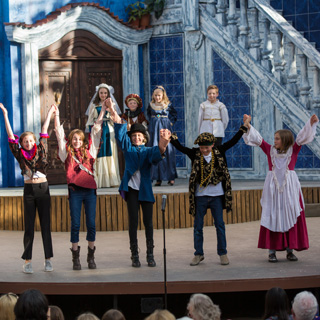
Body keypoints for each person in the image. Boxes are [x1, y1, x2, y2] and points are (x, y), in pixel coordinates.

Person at [170, 118, 249, 266]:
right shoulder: (195, 154)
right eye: (202, 147)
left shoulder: (219, 151)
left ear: (213, 145)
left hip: (216, 196)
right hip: (200, 196)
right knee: (198, 226)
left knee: (219, 224)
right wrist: (170, 137)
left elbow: (233, 141)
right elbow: (181, 148)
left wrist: (243, 127)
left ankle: (223, 253)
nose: (204, 150)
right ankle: (198, 254)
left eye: (207, 147)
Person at [243, 114, 319, 262]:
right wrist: (248, 125)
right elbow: (258, 139)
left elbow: (303, 136)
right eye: (275, 138)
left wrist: (310, 123)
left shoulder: (293, 150)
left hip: (290, 188)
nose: (274, 140)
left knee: (289, 214)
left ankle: (290, 250)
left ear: (284, 140)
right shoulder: (270, 150)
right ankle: (272, 251)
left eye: (277, 138)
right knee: (273, 215)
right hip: (273, 188)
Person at [105, 99, 171, 268]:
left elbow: (158, 154)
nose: (136, 138)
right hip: (132, 190)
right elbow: (120, 133)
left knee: (148, 223)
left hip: (146, 191)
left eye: (139, 136)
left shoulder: (149, 151)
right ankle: (134, 255)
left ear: (144, 139)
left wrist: (163, 144)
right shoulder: (128, 148)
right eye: (133, 136)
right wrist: (113, 111)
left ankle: (150, 254)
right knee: (133, 223)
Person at [0, 103, 54, 274]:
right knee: (29, 227)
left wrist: (51, 111)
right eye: (25, 141)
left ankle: (48, 260)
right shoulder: (18, 153)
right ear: (21, 143)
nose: (29, 143)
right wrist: (5, 114)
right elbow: (10, 135)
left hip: (43, 189)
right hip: (29, 191)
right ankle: (28, 261)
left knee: (46, 225)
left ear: (34, 141)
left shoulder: (42, 149)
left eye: (31, 140)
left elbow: (45, 127)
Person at [54, 103, 106, 270]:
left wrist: (103, 111)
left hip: (89, 191)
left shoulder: (90, 152)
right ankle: (75, 258)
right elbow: (59, 133)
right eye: (74, 139)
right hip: (75, 192)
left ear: (83, 141)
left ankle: (91, 257)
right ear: (71, 140)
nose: (76, 141)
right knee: (75, 224)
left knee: (91, 223)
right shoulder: (66, 154)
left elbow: (96, 130)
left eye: (79, 139)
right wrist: (56, 115)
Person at [85, 83, 121, 188]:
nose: (103, 95)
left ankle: (111, 179)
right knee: (98, 152)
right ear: (98, 93)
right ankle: (99, 180)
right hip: (98, 130)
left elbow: (116, 119)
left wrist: (110, 108)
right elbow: (90, 120)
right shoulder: (94, 105)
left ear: (108, 93)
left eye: (105, 93)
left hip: (109, 129)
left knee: (110, 152)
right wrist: (92, 130)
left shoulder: (112, 104)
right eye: (101, 93)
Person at [147, 85, 177, 186]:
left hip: (165, 128)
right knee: (155, 150)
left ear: (163, 95)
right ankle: (157, 177)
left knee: (168, 151)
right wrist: (151, 123)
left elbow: (174, 115)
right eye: (155, 95)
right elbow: (148, 115)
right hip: (154, 130)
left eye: (159, 95)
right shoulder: (151, 105)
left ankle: (171, 177)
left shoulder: (167, 105)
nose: (157, 97)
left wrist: (170, 123)